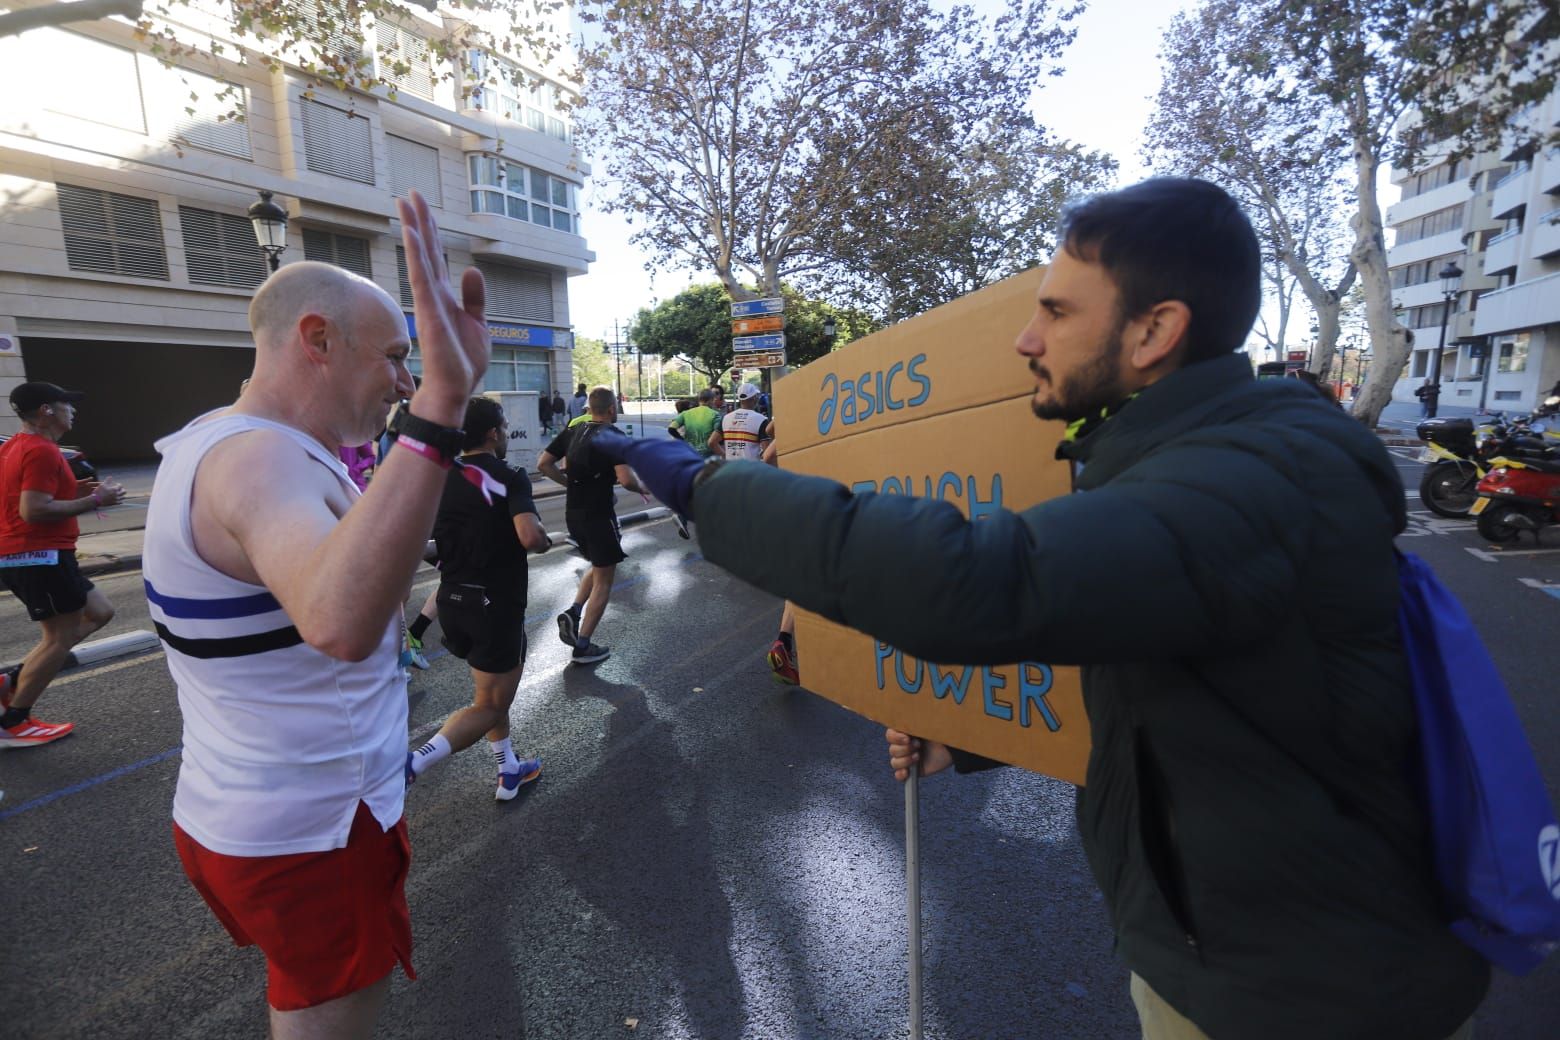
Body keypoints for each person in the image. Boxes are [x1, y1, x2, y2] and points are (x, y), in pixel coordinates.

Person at [594, 178, 1488, 1040]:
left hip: (1299, 999)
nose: (1026, 339)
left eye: (1057, 311)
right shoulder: (1213, 461)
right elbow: (1177, 682)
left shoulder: (1247, 480)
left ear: (1155, 330)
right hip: (1242, 967)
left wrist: (699, 484)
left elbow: (986, 584)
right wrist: (977, 737)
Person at [142, 191, 489, 1037]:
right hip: (310, 834)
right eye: (399, 358)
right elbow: (339, 620)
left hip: (259, 813)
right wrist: (442, 404)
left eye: (416, 366)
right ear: (317, 340)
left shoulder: (222, 441)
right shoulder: (257, 461)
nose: (405, 379)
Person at [407, 396, 547, 800]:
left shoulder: (438, 476)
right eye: (503, 427)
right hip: (496, 607)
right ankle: (414, 763)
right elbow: (529, 536)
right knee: (488, 705)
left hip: (453, 604)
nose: (505, 433)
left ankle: (509, 770)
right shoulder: (510, 475)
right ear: (492, 432)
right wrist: (542, 538)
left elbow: (420, 543)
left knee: (489, 695)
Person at [0, 382, 126, 747]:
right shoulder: (41, 450)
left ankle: (12, 680)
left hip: (40, 554)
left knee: (99, 612)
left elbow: (22, 499)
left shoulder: (15, 447)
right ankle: (13, 722)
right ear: (46, 411)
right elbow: (33, 510)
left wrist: (76, 492)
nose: (73, 409)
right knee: (58, 638)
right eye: (66, 403)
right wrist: (96, 500)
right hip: (39, 555)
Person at [536, 385, 648, 666]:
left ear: (588, 408)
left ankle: (574, 612)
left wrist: (569, 484)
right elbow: (625, 479)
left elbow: (543, 464)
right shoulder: (614, 436)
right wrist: (643, 487)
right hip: (598, 514)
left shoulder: (574, 431)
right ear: (612, 409)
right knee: (605, 582)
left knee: (599, 566)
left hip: (573, 513)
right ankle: (583, 646)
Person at [705, 383, 772, 460]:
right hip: (751, 469)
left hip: (731, 468)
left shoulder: (726, 418)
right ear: (754, 398)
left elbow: (711, 442)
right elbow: (767, 453)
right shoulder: (761, 420)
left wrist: (724, 455)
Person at [667, 388, 722, 457]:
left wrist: (683, 441)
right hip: (708, 456)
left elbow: (671, 428)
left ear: (699, 400)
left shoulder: (686, 413)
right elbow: (718, 435)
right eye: (713, 400)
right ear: (711, 400)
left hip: (690, 453)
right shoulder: (715, 415)